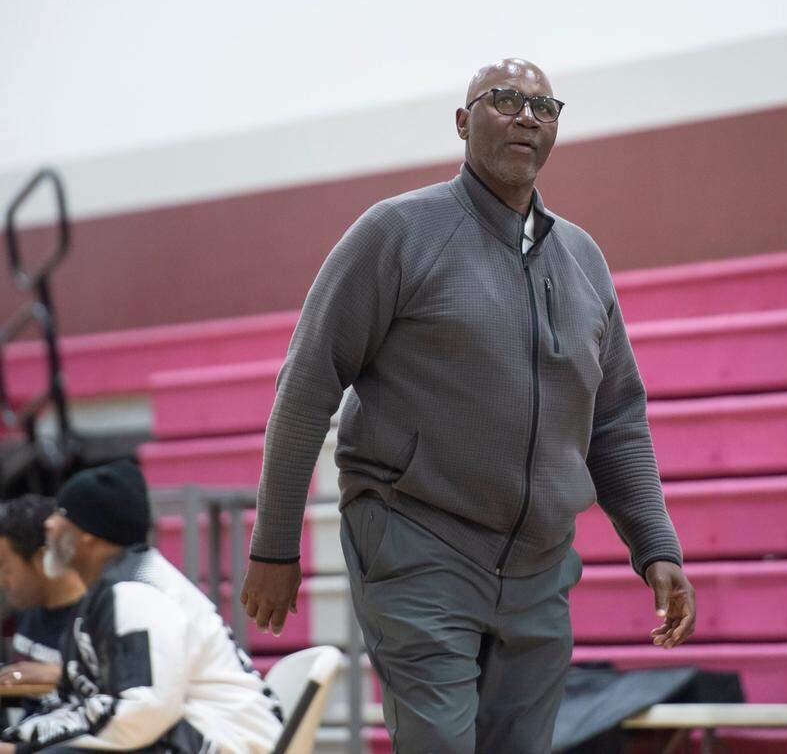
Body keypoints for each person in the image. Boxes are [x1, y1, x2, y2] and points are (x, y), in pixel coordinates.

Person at [240, 57, 696, 752]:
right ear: (463, 121)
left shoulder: (583, 259)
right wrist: (274, 547)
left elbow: (616, 418)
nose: (526, 117)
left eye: (544, 108)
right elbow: (306, 388)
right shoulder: (396, 233)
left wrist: (655, 543)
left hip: (542, 566)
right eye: (505, 100)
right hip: (419, 543)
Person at [0, 461, 282, 753]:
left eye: (62, 515)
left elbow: (141, 714)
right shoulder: (116, 586)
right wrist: (17, 741)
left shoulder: (135, 594)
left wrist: (22, 749)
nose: (49, 524)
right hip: (193, 732)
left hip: (229, 740)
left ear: (88, 536)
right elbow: (93, 707)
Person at [0, 496, 86, 717]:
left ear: (40, 559)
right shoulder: (30, 604)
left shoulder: (94, 619)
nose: (2, 580)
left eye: (4, 566)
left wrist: (63, 675)